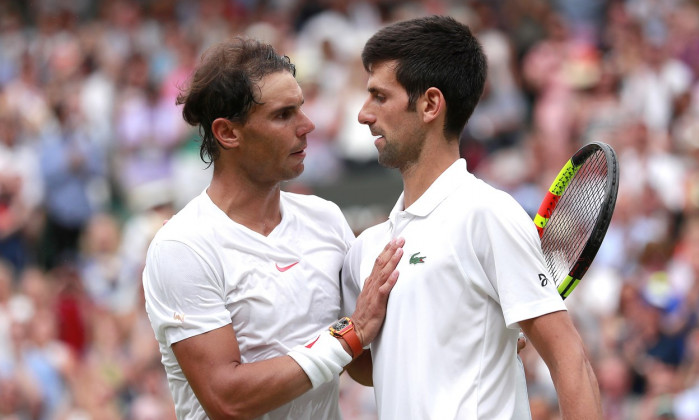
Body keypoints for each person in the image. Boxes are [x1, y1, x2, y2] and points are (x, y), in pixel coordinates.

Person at [340, 15, 602, 419]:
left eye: (379, 96)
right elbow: (377, 368)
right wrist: (357, 329)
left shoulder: (487, 215)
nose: (363, 114)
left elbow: (570, 361)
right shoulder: (366, 250)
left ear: (430, 104)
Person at [141, 37, 404, 420]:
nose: (307, 125)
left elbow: (361, 363)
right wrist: (350, 333)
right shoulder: (182, 246)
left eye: (301, 108)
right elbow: (227, 399)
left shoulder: (325, 219)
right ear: (228, 133)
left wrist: (466, 339)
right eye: (284, 115)